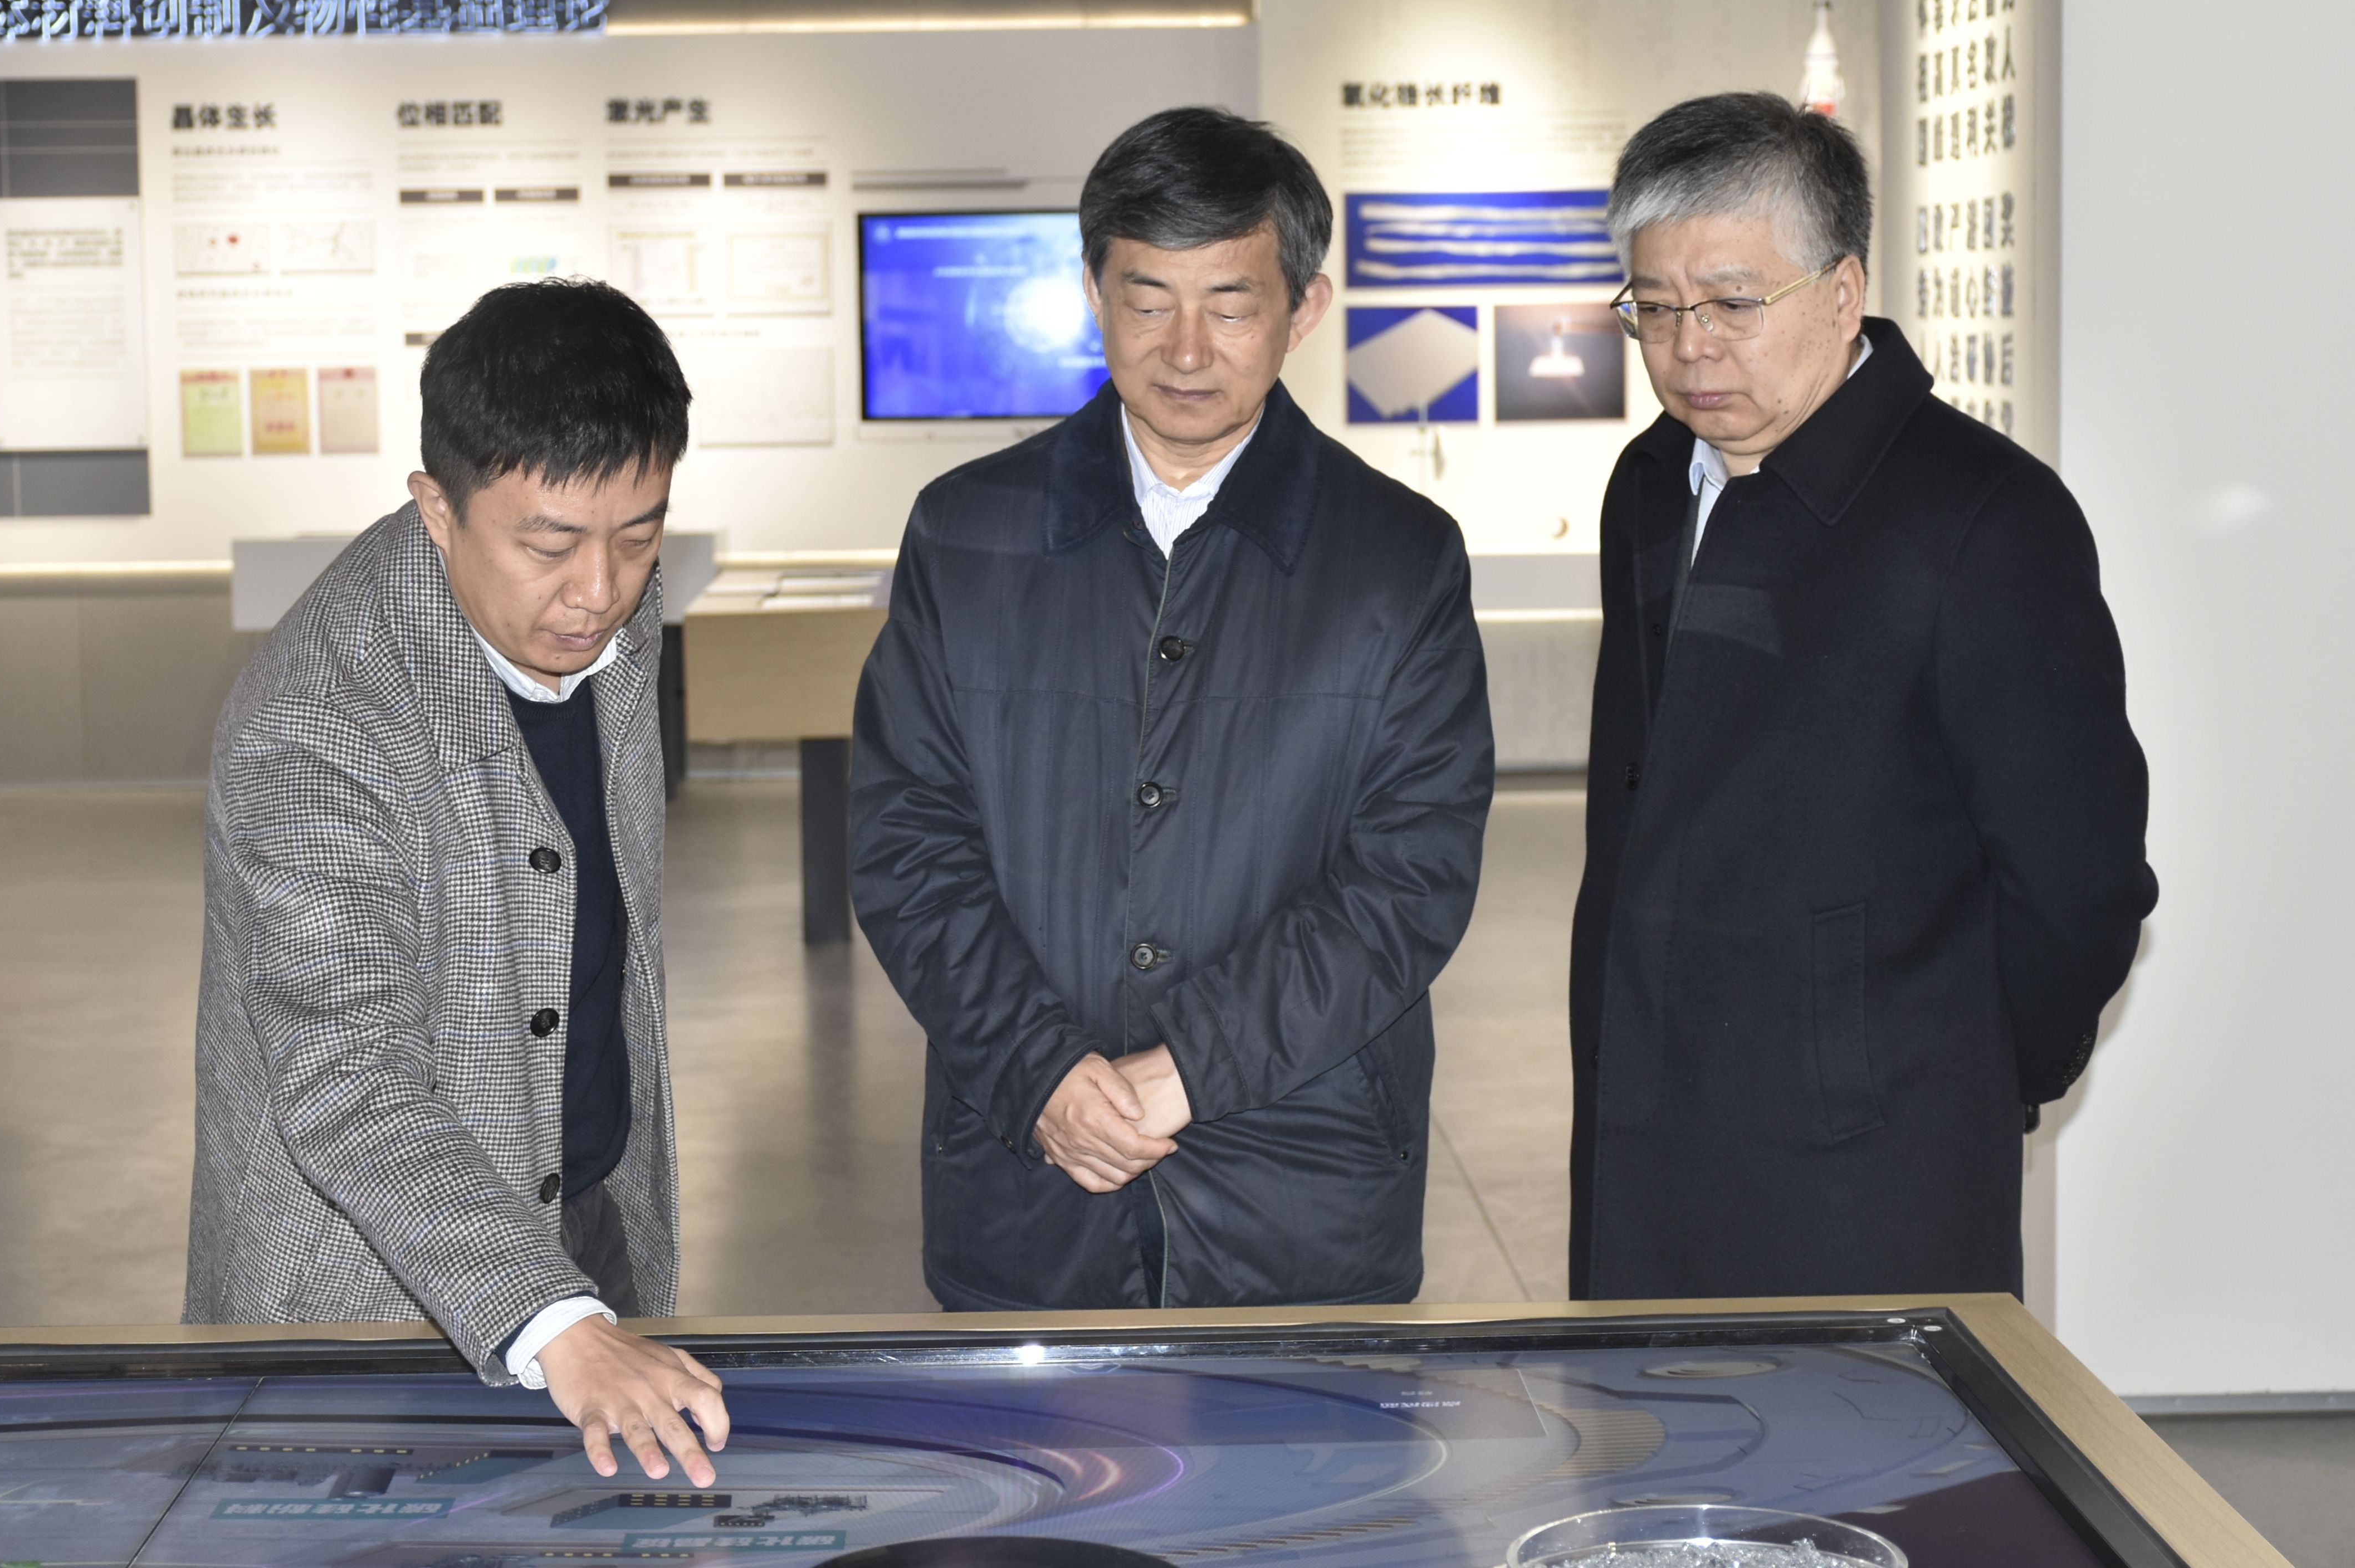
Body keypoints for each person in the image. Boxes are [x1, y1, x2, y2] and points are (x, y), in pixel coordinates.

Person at [851, 106, 1494, 1312]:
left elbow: (1409, 878)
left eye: (1231, 305)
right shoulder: (966, 533)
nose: (1186, 350)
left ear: (1304, 307)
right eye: (1147, 301)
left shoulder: (1396, 559)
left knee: (1306, 1445)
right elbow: (905, 841)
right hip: (1030, 1168)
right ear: (1092, 293)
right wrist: (1041, 1070)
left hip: (1300, 1176)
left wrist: (1190, 1067)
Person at [1571, 92, 2156, 1299]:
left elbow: (2077, 879)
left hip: (1869, 1161)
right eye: (1655, 308)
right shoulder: (1650, 479)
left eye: (1732, 303)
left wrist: (1963, 1070)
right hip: (1644, 1118)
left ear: (1842, 293)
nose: (1689, 348)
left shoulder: (1983, 518)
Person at [185, 279, 729, 1482]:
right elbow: (348, 1075)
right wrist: (551, 1318)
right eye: (549, 545)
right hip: (372, 1294)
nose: (600, 591)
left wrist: (586, 1290)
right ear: (438, 507)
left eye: (641, 535)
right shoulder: (319, 719)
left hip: (588, 1210)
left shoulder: (603, 615)